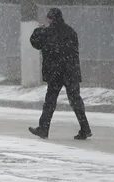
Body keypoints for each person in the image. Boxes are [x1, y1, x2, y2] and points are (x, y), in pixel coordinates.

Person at [27, 8, 91, 140]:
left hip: (55, 72)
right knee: (75, 100)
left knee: (50, 101)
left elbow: (34, 42)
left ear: (50, 19)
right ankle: (85, 128)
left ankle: (44, 129)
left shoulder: (47, 32)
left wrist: (38, 29)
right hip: (70, 72)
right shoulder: (70, 31)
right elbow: (74, 51)